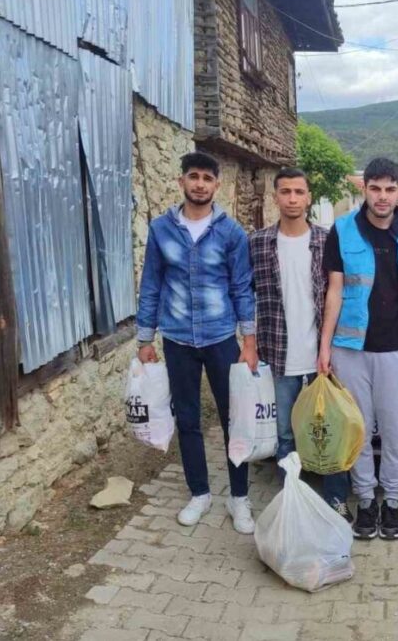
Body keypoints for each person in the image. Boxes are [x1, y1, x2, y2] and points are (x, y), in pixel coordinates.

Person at [136, 151, 258, 534]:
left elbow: (242, 288)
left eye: (207, 178)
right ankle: (200, 493)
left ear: (216, 185)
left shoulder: (232, 233)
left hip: (222, 337)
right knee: (187, 419)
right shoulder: (160, 230)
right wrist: (144, 337)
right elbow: (151, 284)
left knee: (233, 419)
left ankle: (239, 499)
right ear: (181, 182)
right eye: (193, 177)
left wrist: (249, 339)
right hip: (177, 339)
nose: (200, 184)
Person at [319, 158, 398, 541]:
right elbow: (333, 290)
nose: (382, 197)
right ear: (365, 190)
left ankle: (392, 500)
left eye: (390, 189)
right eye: (375, 188)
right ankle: (365, 500)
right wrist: (325, 346)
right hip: (351, 348)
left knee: (396, 430)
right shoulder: (343, 230)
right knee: (358, 430)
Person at [248, 167, 351, 520]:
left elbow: (337, 294)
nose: (292, 199)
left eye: (299, 192)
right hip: (278, 356)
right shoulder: (258, 242)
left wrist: (327, 347)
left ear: (309, 197)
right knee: (286, 436)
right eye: (285, 192)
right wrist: (247, 342)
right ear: (275, 196)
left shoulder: (326, 240)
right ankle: (292, 503)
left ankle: (337, 499)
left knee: (329, 430)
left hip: (322, 357)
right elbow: (248, 297)